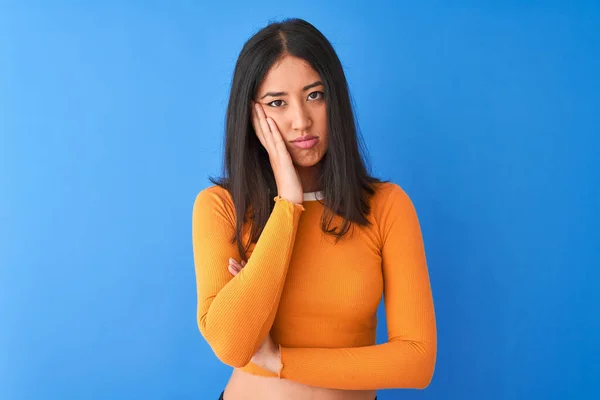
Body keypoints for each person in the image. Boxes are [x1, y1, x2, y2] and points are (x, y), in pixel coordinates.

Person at [192, 18, 437, 400]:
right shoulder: (222, 207)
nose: (301, 121)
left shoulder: (386, 206)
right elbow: (232, 346)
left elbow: (416, 361)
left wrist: (281, 361)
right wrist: (288, 202)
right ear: (252, 114)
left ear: (334, 100)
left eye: (315, 95)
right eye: (277, 102)